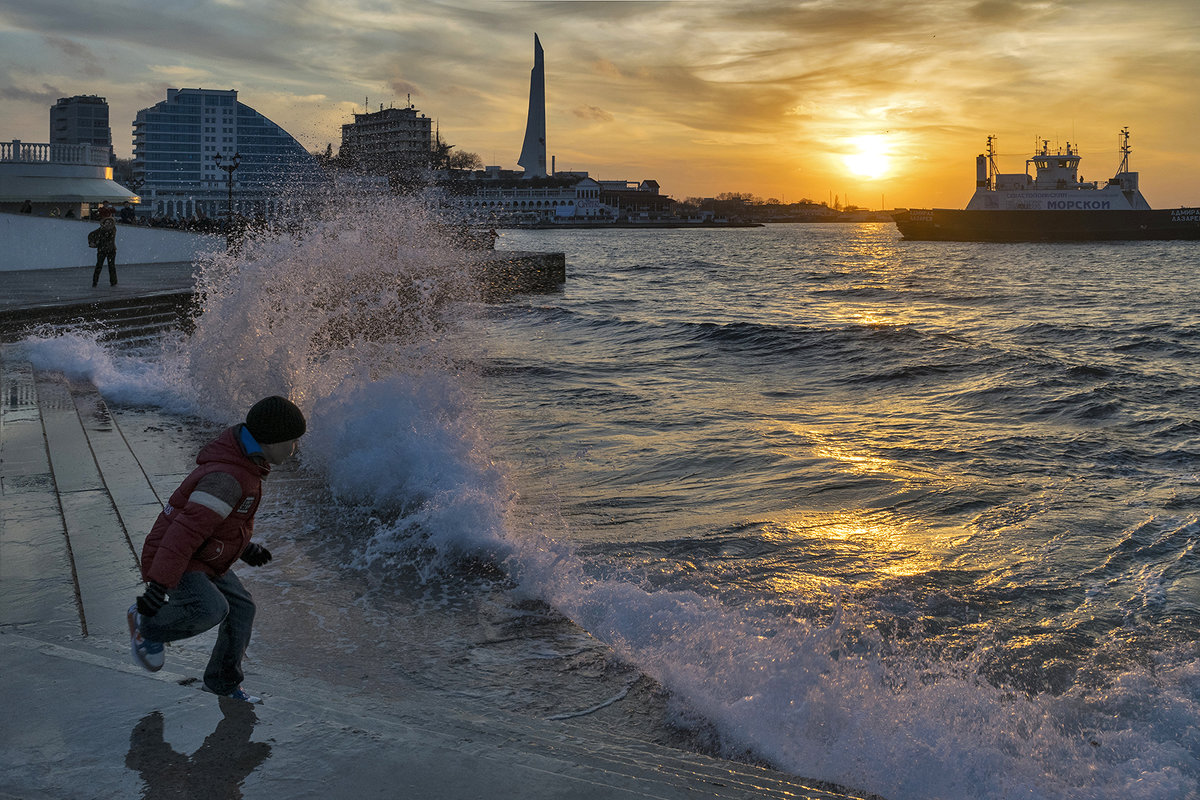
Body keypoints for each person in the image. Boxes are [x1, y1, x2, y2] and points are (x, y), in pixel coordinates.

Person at [127, 396, 307, 704]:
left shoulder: (246, 463)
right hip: (175, 557)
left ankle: (221, 684)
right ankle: (148, 625)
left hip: (202, 554)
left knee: (242, 608)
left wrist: (243, 548)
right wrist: (159, 585)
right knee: (212, 608)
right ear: (273, 441)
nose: (296, 449)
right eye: (293, 441)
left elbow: (220, 523)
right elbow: (184, 533)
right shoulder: (228, 478)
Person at [89, 218, 118, 287]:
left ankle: (113, 282)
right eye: (106, 222)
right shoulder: (100, 230)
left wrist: (97, 242)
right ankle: (95, 282)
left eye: (109, 223)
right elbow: (91, 234)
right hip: (102, 250)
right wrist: (92, 242)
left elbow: (107, 236)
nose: (108, 224)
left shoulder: (113, 229)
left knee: (111, 266)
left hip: (110, 250)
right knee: (99, 266)